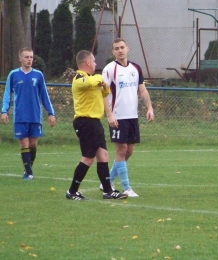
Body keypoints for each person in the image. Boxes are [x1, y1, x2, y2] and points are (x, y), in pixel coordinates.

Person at [65, 50, 127, 200]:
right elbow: (93, 82)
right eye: (93, 61)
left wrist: (104, 86)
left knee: (103, 155)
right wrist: (100, 79)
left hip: (95, 122)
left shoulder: (92, 80)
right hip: (85, 122)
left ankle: (107, 191)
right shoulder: (79, 77)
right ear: (87, 63)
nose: (95, 64)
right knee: (88, 157)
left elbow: (104, 93)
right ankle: (72, 191)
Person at [101, 38, 154, 197]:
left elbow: (142, 90)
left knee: (129, 150)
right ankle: (126, 188)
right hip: (117, 116)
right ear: (113, 52)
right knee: (121, 150)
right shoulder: (109, 69)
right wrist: (109, 115)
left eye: (122, 47)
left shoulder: (135, 68)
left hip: (132, 116)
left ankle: (108, 181)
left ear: (127, 48)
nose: (120, 50)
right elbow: (103, 93)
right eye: (116, 48)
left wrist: (149, 107)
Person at [1, 47, 56, 180]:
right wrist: (4, 111)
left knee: (33, 145)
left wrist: (51, 113)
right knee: (24, 143)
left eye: (31, 57)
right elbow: (8, 94)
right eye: (26, 57)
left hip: (35, 115)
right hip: (20, 116)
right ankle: (28, 172)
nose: (29, 59)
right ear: (20, 59)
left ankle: (27, 169)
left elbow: (44, 95)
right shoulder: (14, 74)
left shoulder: (38, 75)